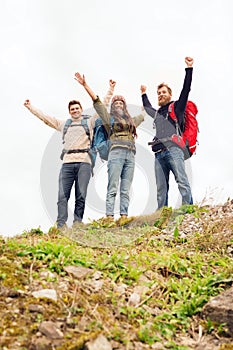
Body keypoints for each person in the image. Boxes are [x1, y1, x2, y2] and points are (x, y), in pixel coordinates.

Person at [24, 80, 116, 230]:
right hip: (67, 163)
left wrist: (111, 89)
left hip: (84, 162)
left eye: (77, 108)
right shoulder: (64, 124)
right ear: (69, 112)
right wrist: (30, 107)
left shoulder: (89, 122)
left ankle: (77, 223)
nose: (75, 111)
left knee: (80, 195)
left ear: (81, 109)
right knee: (62, 196)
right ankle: (61, 225)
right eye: (72, 109)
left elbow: (102, 105)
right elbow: (45, 118)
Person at [75, 72, 145, 220]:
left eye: (121, 103)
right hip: (116, 153)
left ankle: (124, 217)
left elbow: (144, 114)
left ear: (125, 107)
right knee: (113, 186)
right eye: (116, 103)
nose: (118, 105)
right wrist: (85, 85)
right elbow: (97, 102)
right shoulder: (109, 119)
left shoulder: (132, 121)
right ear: (113, 107)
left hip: (130, 154)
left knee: (125, 188)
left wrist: (144, 94)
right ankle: (109, 217)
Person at [141, 57, 194, 209]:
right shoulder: (157, 114)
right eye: (158, 93)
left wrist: (189, 69)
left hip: (174, 150)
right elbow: (147, 106)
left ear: (170, 95)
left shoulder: (177, 107)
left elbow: (186, 90)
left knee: (182, 181)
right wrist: (144, 93)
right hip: (158, 153)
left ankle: (188, 210)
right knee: (161, 188)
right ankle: (162, 215)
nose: (160, 94)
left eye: (163, 92)